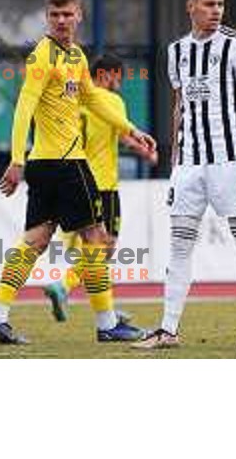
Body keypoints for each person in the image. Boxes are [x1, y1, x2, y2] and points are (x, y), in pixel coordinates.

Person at [0, 0, 156, 344]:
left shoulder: (75, 56)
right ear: (48, 17)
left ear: (79, 16)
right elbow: (23, 108)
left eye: (67, 14)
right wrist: (16, 160)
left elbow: (93, 99)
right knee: (97, 238)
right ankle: (108, 324)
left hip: (49, 166)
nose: (61, 20)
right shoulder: (42, 57)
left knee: (35, 240)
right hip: (66, 164)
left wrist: (131, 129)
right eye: (54, 15)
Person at [133, 0, 236, 350]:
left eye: (221, 5)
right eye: (210, 4)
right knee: (180, 245)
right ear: (191, 6)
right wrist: (176, 161)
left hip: (231, 160)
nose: (217, 11)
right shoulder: (177, 50)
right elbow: (179, 106)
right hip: (190, 164)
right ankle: (168, 330)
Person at [43, 55, 158, 326]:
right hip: (103, 185)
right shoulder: (112, 101)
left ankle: (107, 310)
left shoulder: (78, 98)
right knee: (104, 249)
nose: (120, 84)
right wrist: (147, 152)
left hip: (76, 181)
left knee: (96, 250)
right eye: (119, 77)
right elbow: (125, 135)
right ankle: (64, 285)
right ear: (106, 74)